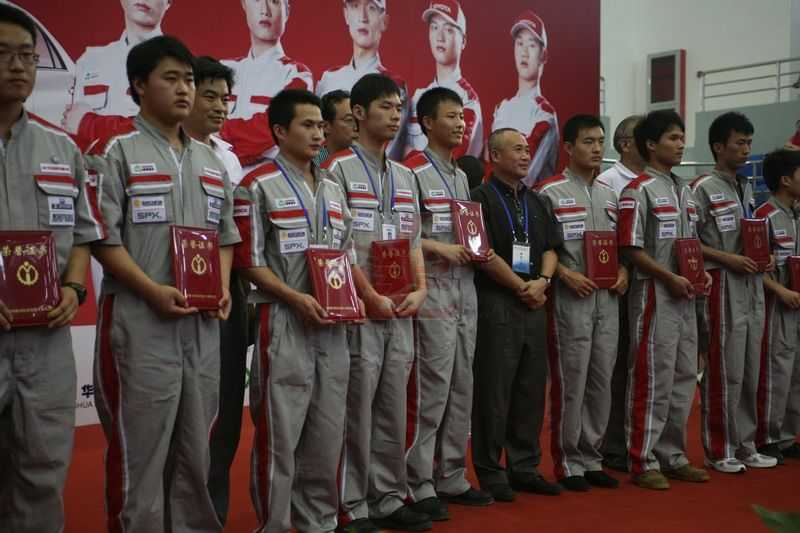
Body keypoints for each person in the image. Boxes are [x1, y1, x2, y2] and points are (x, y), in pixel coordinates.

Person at [88, 36, 239, 531]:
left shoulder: (211, 162)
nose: (184, 90)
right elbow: (102, 238)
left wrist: (221, 285)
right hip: (141, 322)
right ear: (138, 85)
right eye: (170, 78)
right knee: (141, 452)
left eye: (189, 80)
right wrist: (151, 290)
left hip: (201, 326)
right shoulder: (115, 152)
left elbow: (225, 236)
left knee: (196, 449)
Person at [232, 88, 354, 533]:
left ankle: (319, 520)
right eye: (308, 125)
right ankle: (275, 524)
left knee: (328, 428)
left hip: (333, 323)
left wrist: (351, 300)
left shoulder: (334, 188)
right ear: (280, 131)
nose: (319, 133)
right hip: (283, 319)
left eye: (321, 125)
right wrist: (295, 297)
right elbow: (249, 263)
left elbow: (345, 255)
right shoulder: (256, 186)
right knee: (280, 432)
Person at [0, 5, 103, 531]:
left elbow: (83, 233)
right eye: (3, 54)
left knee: (41, 471)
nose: (18, 66)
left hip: (46, 341)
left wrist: (74, 288)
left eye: (27, 56)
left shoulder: (62, 147)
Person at [323, 73, 430, 533]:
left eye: (399, 107)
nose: (395, 115)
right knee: (356, 406)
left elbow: (413, 241)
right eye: (385, 106)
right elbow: (339, 246)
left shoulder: (405, 175)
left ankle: (388, 495)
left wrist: (421, 289)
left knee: (393, 405)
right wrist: (368, 295)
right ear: (359, 113)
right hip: (360, 308)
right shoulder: (337, 169)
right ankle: (351, 503)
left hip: (401, 307)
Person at [403, 87, 493, 520]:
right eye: (451, 116)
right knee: (430, 387)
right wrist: (439, 248)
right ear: (426, 123)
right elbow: (400, 235)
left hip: (465, 291)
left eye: (463, 117)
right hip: (432, 290)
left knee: (462, 384)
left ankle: (452, 474)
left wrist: (476, 249)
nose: (460, 124)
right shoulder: (410, 172)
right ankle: (417, 482)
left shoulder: (461, 175)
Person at [617, 109, 711, 490]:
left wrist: (700, 271)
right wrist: (668, 276)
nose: (681, 144)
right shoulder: (637, 190)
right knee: (652, 376)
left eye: (682, 137)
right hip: (654, 293)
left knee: (685, 376)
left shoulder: (686, 191)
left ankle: (673, 456)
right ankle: (642, 459)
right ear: (651, 144)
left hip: (686, 295)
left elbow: (692, 244)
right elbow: (630, 248)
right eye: (673, 138)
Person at [534, 115, 626, 491]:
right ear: (569, 147)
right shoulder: (548, 192)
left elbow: (621, 248)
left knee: (602, 379)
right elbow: (541, 249)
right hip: (570, 299)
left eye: (600, 141)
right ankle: (569, 460)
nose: (597, 148)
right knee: (571, 380)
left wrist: (623, 272)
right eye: (588, 142)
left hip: (607, 300)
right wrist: (564, 275)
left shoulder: (609, 195)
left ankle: (592, 457)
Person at [470, 128, 562, 502]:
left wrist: (543, 281)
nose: (526, 155)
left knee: (530, 389)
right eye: (518, 149)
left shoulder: (537, 199)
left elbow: (552, 247)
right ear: (494, 156)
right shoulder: (479, 197)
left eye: (527, 149)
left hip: (535, 301)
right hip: (497, 301)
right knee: (494, 389)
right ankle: (491, 471)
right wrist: (520, 286)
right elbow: (481, 252)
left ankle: (524, 466)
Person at [180, 56, 250, 525]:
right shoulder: (136, 151)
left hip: (225, 291)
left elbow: (233, 233)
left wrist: (228, 285)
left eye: (226, 98)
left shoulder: (229, 158)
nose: (220, 107)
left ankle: (212, 515)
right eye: (209, 96)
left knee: (224, 410)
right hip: (169, 292)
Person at [691, 111, 777, 473]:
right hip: (722, 282)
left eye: (749, 143)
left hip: (751, 282)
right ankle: (719, 448)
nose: (746, 149)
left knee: (750, 367)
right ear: (718, 146)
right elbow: (689, 242)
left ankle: (745, 444)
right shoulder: (701, 188)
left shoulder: (746, 186)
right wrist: (727, 258)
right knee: (725, 368)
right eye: (739, 143)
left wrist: (764, 255)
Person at [597, 115, 644, 473]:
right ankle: (613, 445)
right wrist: (622, 268)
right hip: (619, 286)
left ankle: (641, 441)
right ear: (626, 144)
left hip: (652, 286)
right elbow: (606, 240)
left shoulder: (659, 182)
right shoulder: (608, 182)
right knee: (617, 369)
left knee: (646, 368)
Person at [221, 0, 313, 166]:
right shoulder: (223, 69)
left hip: (271, 175)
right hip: (216, 172)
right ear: (244, 5)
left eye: (274, 1)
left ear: (287, 11)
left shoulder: (296, 74)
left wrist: (220, 138)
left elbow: (269, 129)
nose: (265, 10)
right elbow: (197, 121)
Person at [316, 0, 408, 159]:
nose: (363, 17)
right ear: (346, 14)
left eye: (371, 8)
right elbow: (318, 136)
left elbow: (390, 149)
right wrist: (321, 165)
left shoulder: (394, 85)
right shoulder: (329, 78)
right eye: (355, 7)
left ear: (384, 21)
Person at [755, 148, 800, 462]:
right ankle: (767, 436)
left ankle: (786, 436)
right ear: (785, 179)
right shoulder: (763, 216)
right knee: (776, 370)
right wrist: (779, 291)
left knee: (796, 371)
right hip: (776, 305)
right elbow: (754, 267)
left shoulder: (797, 215)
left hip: (797, 304)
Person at [68, 0, 171, 125]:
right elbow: (73, 125)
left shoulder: (179, 65)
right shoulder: (90, 60)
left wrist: (89, 124)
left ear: (168, 3)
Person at [406, 0, 482, 159]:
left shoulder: (467, 100)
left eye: (448, 29)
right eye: (434, 27)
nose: (439, 37)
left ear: (463, 41)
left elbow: (450, 157)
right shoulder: (418, 96)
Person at [491, 10, 558, 187]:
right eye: (520, 44)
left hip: (529, 200)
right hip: (497, 196)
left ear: (544, 55)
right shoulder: (502, 108)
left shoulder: (544, 115)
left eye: (532, 45)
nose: (524, 52)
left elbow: (523, 177)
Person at [314, 89, 357, 166]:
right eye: (349, 120)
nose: (356, 127)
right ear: (326, 126)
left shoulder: (369, 158)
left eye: (358, 119)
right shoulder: (314, 164)